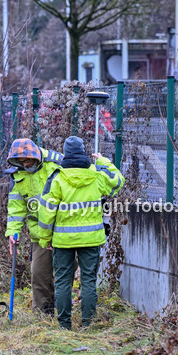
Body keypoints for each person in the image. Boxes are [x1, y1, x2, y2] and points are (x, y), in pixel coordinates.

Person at [37, 136, 124, 330]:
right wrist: (103, 160)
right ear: (84, 152)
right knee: (88, 281)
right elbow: (118, 180)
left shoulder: (57, 178)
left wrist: (45, 239)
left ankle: (64, 325)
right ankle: (88, 324)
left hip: (63, 240)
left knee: (62, 282)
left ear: (65, 154)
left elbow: (46, 212)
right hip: (91, 239)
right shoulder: (97, 175)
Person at [4, 138, 63, 314]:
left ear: (35, 156)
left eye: (27, 161)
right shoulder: (18, 174)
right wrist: (12, 232)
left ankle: (63, 313)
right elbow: (16, 206)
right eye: (20, 162)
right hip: (39, 234)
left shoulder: (57, 162)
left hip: (63, 230)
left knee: (64, 276)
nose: (25, 165)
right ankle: (42, 314)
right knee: (38, 274)